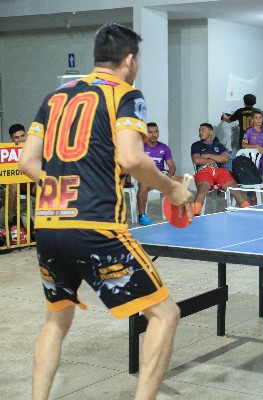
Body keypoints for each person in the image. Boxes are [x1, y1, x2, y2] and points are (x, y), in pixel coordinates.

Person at [18, 23, 194, 400]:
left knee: (56, 320)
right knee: (165, 315)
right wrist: (173, 188)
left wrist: (66, 186)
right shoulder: (126, 94)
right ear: (129, 60)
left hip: (49, 226)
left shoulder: (55, 97)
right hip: (96, 227)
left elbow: (27, 161)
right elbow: (132, 158)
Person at [191, 123, 249, 215]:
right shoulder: (196, 145)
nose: (200, 132)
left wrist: (208, 156)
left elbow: (225, 159)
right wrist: (216, 159)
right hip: (204, 172)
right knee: (202, 189)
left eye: (203, 130)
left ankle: (248, 212)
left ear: (211, 132)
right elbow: (197, 160)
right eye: (199, 130)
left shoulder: (219, 146)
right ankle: (195, 216)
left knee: (235, 189)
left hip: (220, 171)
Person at [137, 122, 176, 226]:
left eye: (156, 132)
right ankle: (142, 216)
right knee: (143, 186)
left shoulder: (164, 148)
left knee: (181, 181)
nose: (154, 135)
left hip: (161, 176)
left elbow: (172, 167)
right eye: (150, 132)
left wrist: (168, 177)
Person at [242, 109, 263, 174]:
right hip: (252, 158)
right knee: (253, 175)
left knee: (262, 175)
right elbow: (243, 145)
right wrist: (256, 146)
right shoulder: (248, 131)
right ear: (252, 119)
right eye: (256, 118)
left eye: (260, 117)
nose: (258, 120)